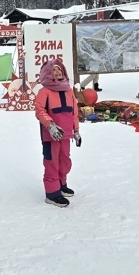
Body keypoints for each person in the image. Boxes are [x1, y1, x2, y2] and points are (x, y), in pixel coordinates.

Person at [34, 57, 80, 207]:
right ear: (47, 73)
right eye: (54, 70)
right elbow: (40, 111)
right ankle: (52, 194)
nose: (58, 72)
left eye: (59, 69)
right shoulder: (44, 92)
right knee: (52, 163)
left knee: (64, 161)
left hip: (66, 135)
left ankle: (61, 184)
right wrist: (51, 125)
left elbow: (74, 113)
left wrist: (76, 131)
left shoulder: (69, 91)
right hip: (51, 136)